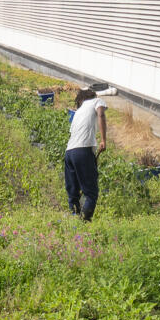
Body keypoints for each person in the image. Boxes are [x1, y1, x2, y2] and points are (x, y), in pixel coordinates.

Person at [64, 86, 108, 221]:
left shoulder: (78, 111)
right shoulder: (97, 101)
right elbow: (101, 114)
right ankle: (84, 224)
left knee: (73, 193)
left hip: (69, 153)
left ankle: (74, 224)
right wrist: (103, 140)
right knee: (91, 193)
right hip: (82, 151)